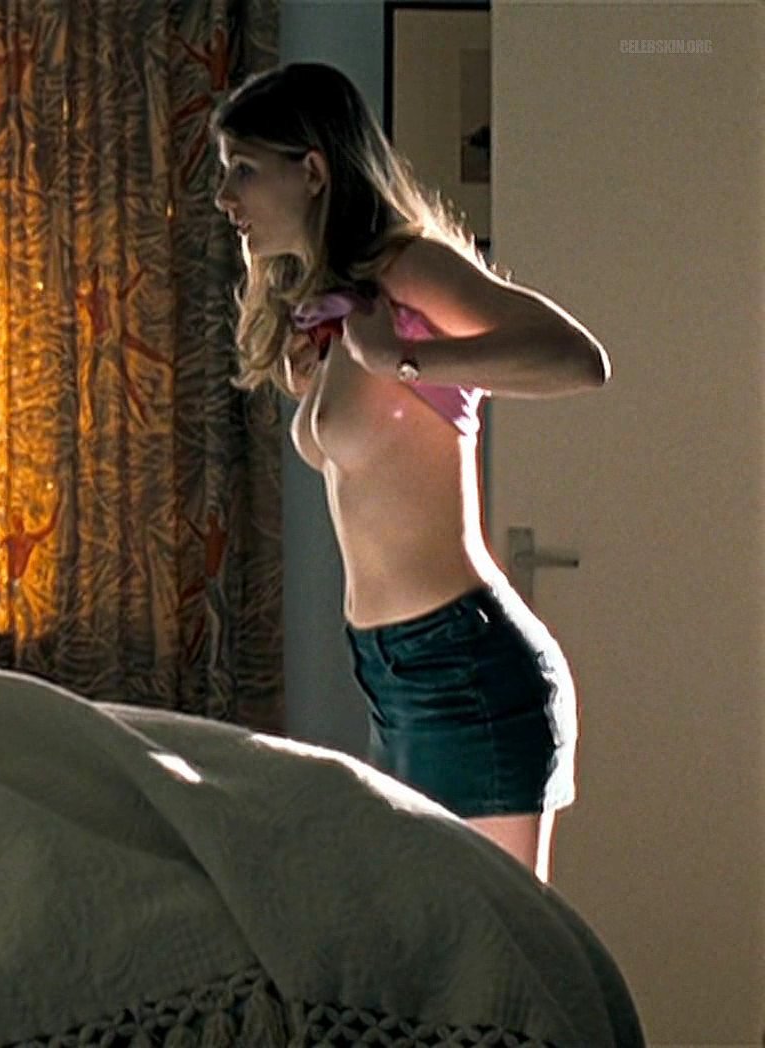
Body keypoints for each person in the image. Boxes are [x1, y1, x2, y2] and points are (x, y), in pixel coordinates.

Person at [210, 63, 609, 879]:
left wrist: (405, 360)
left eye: (244, 169)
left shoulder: (407, 269)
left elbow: (578, 359)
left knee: (495, 947)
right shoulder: (337, 300)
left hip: (465, 667)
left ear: (312, 169)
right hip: (393, 673)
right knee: (431, 942)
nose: (225, 197)